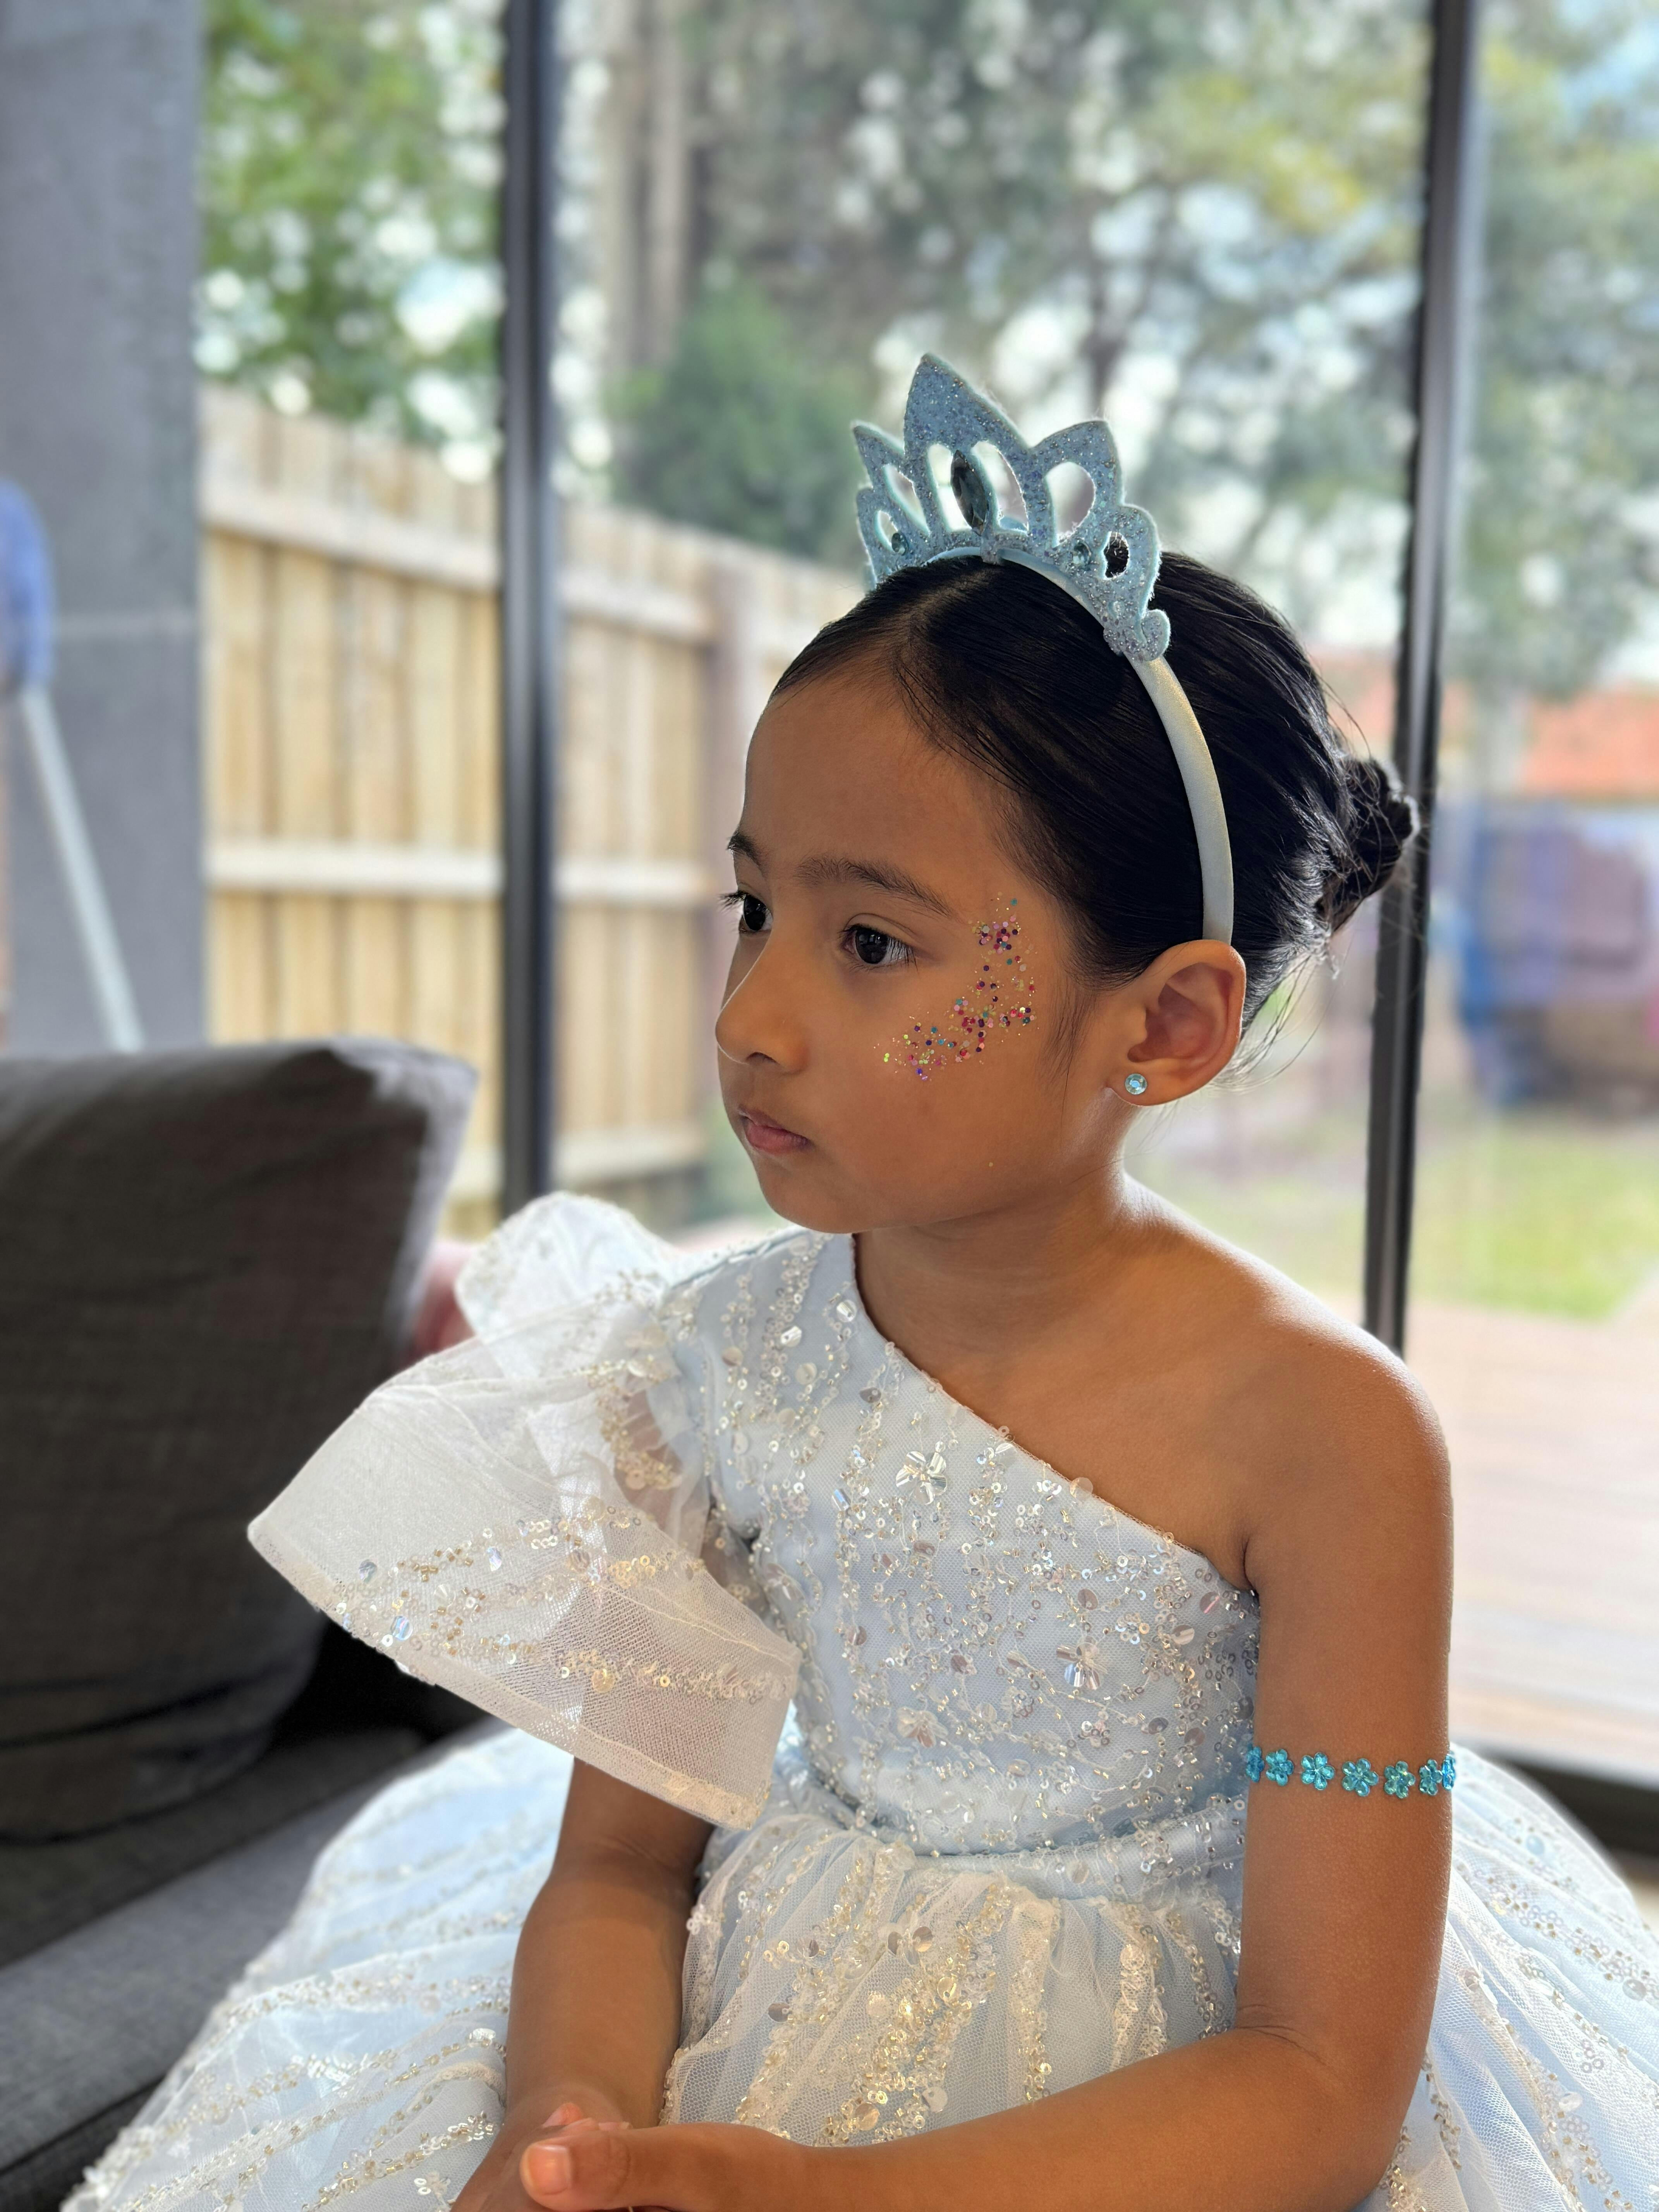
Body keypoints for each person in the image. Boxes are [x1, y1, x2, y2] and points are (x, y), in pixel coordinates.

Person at [75, 359, 1658, 2212]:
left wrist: (821, 2197)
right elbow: (622, 1867)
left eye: (874, 941)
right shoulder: (707, 1363)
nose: (752, 1016)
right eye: (754, 908)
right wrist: (569, 2124)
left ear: (1165, 1022)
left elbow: (1321, 2086)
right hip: (773, 1981)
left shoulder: (1329, 1438)